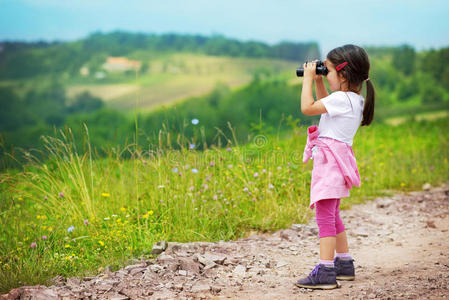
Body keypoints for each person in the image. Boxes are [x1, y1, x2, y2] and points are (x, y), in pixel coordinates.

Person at [295, 44, 375, 290]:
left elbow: (308, 108)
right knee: (333, 214)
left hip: (329, 166)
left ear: (342, 74)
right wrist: (320, 79)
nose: (323, 74)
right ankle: (344, 264)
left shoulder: (342, 99)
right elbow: (327, 102)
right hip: (338, 163)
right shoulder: (353, 99)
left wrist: (308, 79)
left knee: (325, 217)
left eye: (327, 70)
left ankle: (326, 271)